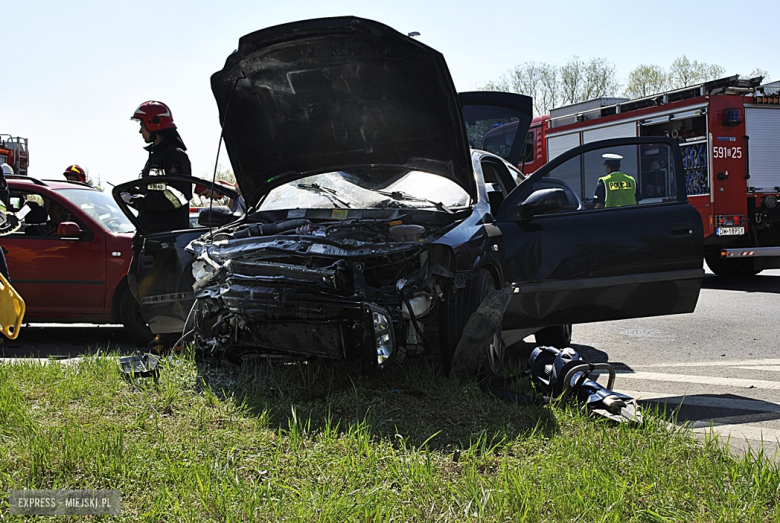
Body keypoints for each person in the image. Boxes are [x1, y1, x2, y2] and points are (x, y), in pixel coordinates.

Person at [125, 100, 193, 233]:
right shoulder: (155, 156)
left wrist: (142, 201)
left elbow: (179, 196)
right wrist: (134, 193)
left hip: (167, 239)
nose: (140, 131)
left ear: (153, 124)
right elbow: (155, 189)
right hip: (150, 234)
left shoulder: (174, 155)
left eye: (142, 125)